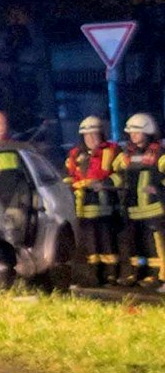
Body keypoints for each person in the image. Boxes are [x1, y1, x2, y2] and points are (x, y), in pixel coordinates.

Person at [66, 116, 121, 287]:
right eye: (86, 135)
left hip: (105, 206)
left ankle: (111, 274)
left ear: (101, 134)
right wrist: (69, 186)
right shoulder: (75, 154)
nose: (90, 138)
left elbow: (121, 176)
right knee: (89, 245)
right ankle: (93, 275)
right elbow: (70, 176)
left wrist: (104, 183)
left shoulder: (112, 151)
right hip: (82, 207)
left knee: (107, 242)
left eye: (93, 134)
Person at [114, 113, 165, 286]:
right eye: (131, 132)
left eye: (137, 132)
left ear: (147, 132)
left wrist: (158, 189)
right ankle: (138, 272)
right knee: (137, 244)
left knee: (154, 245)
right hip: (133, 208)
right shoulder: (127, 155)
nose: (133, 136)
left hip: (153, 208)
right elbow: (117, 173)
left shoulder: (159, 154)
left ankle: (157, 275)